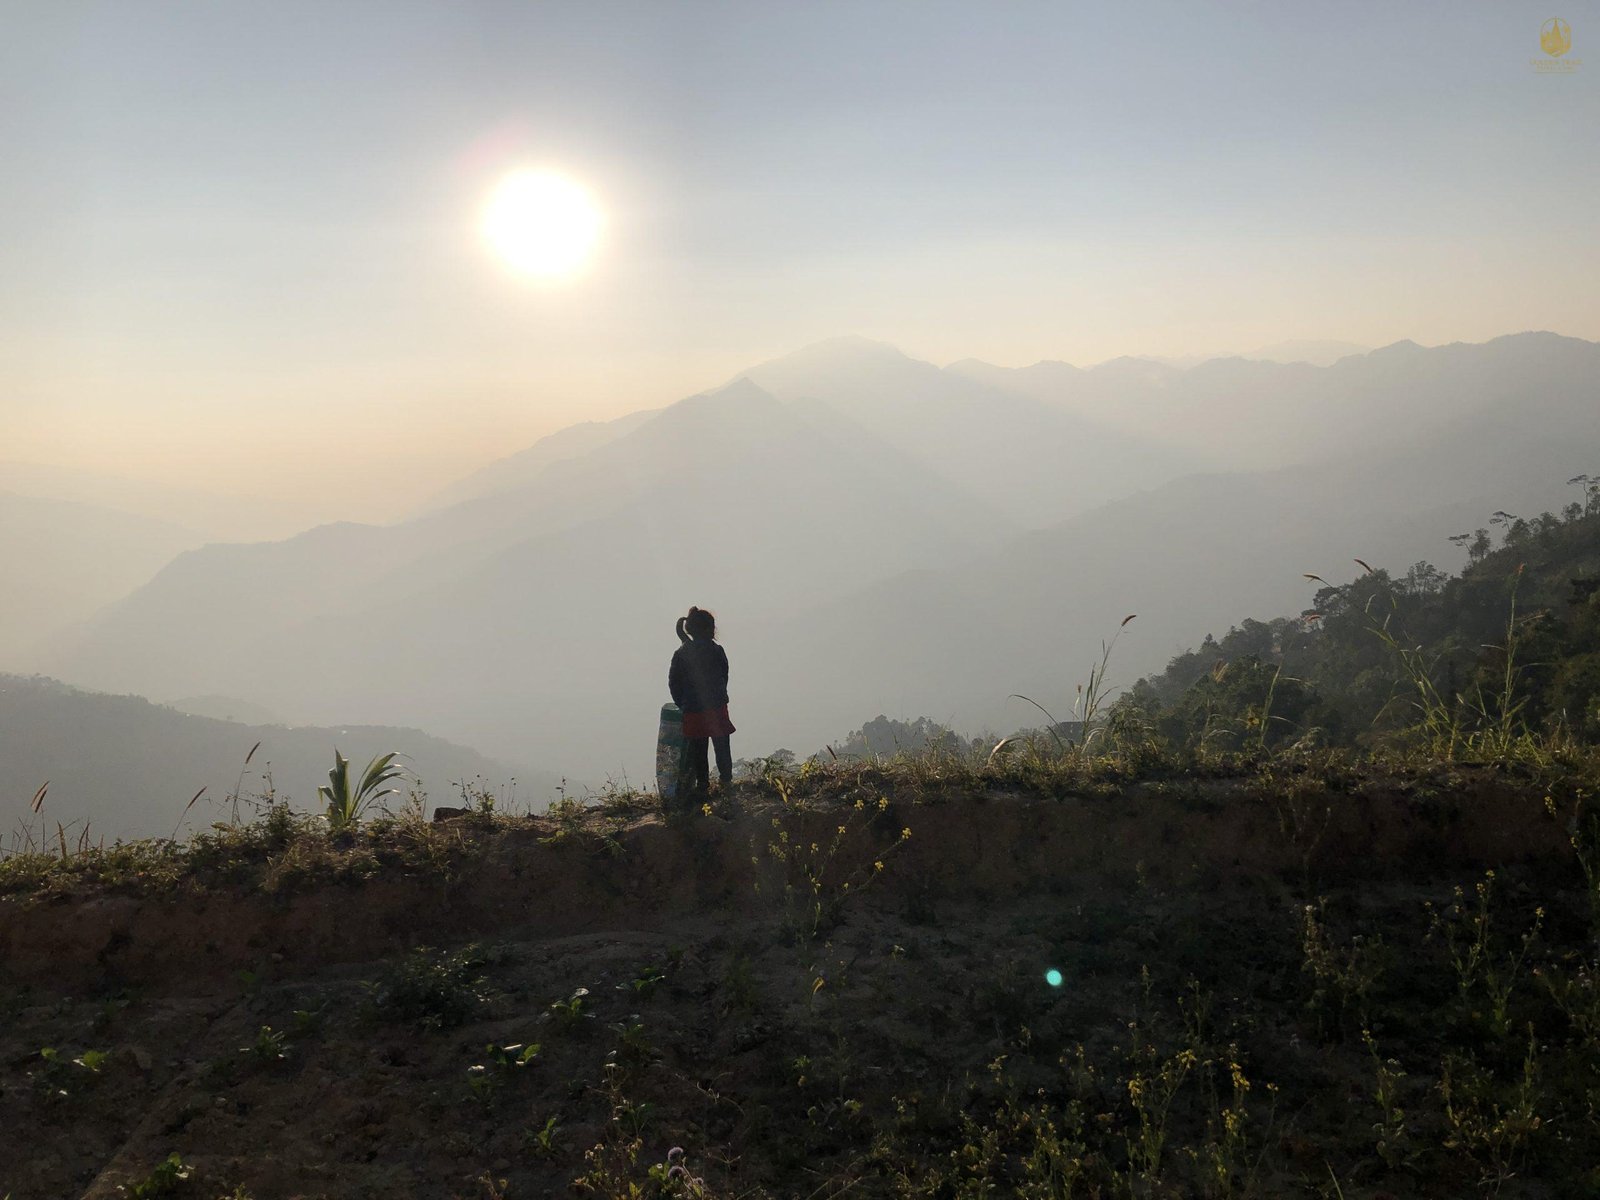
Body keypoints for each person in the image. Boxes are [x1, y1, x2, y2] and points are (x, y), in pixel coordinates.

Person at [668, 606, 735, 795]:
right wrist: (719, 696)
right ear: (710, 629)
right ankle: (726, 782)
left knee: (699, 750)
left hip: (693, 710)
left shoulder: (681, 653)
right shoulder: (717, 651)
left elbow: (674, 683)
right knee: (722, 747)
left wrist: (683, 704)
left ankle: (703, 785)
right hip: (716, 707)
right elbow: (724, 675)